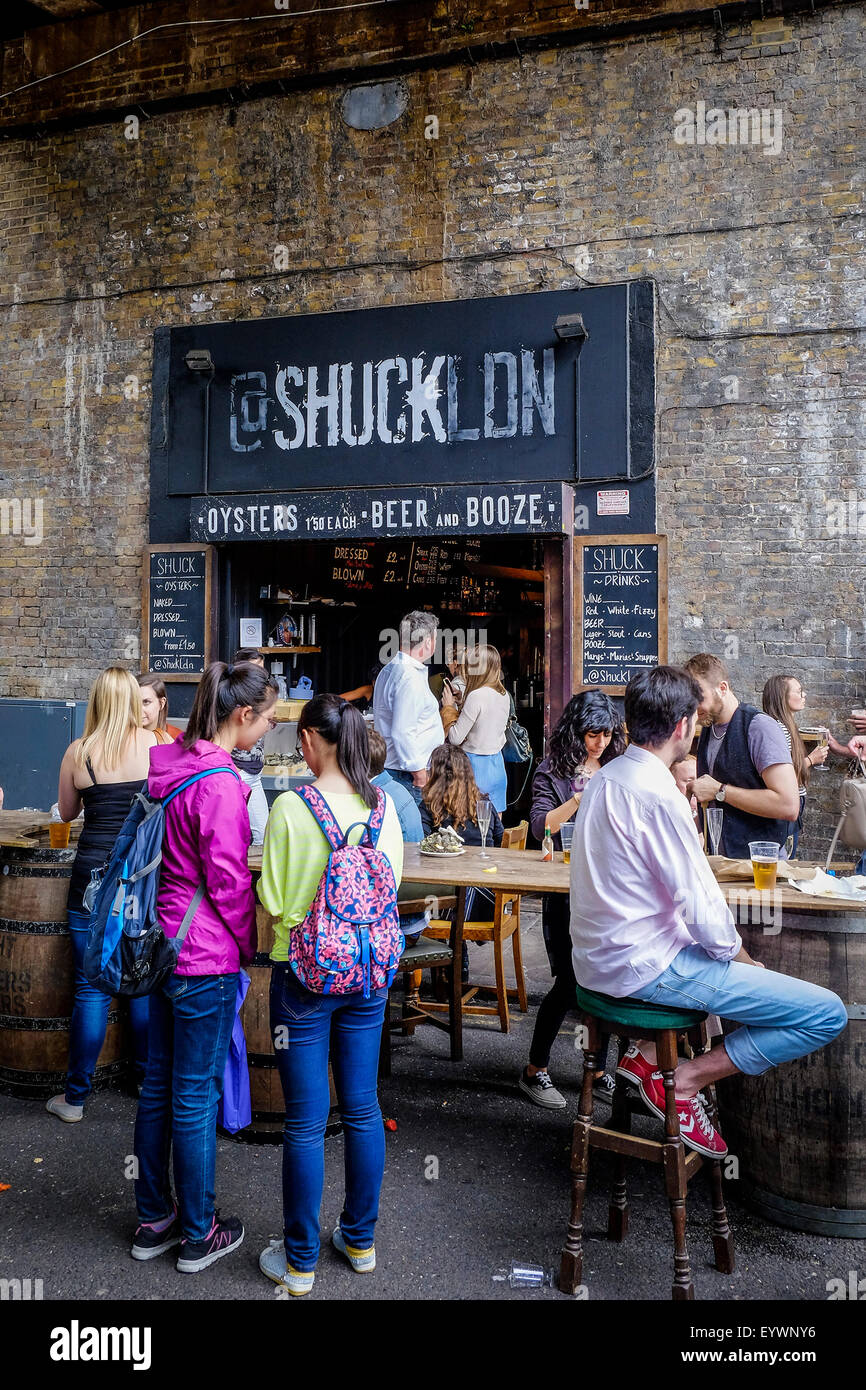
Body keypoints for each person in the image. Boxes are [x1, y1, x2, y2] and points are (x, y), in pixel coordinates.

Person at [570, 665, 847, 1158]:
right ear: (683, 727)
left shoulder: (605, 779)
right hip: (642, 969)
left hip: (595, 964)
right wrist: (741, 960)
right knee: (826, 1013)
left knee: (725, 968)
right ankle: (682, 1080)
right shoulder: (658, 795)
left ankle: (649, 1057)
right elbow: (701, 908)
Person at [131, 660, 276, 1272]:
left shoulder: (172, 765)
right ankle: (198, 1233)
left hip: (160, 947)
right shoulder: (219, 784)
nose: (269, 729)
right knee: (194, 1094)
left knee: (159, 1086)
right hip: (204, 959)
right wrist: (249, 943)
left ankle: (152, 1220)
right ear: (242, 716)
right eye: (266, 718)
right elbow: (228, 881)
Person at [257, 694, 404, 1296]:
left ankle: (299, 1264)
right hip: (367, 975)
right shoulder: (383, 805)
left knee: (306, 1121)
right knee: (363, 1107)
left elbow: (271, 896)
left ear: (318, 741)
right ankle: (360, 1241)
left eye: (302, 739)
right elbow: (392, 883)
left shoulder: (291, 806)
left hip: (304, 975)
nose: (299, 748)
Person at [47, 667, 156, 1123]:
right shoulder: (156, 747)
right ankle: (150, 1087)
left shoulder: (79, 752)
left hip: (91, 882)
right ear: (133, 699)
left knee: (90, 991)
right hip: (142, 882)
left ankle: (75, 1099)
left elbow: (67, 814)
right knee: (143, 984)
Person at [518, 692, 626, 1111]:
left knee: (600, 979)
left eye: (606, 733)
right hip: (564, 887)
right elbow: (540, 826)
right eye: (592, 734)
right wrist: (581, 795)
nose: (599, 742)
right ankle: (534, 1069)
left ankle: (597, 1071)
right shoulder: (554, 770)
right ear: (575, 731)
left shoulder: (619, 764)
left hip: (607, 888)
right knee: (568, 981)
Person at [684, 654, 799, 859]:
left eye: (698, 696)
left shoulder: (759, 727)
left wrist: (720, 791)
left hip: (760, 865)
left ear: (722, 688)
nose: (693, 706)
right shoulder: (708, 728)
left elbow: (788, 805)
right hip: (723, 864)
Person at [372, 610, 442, 806]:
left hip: (395, 770)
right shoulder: (409, 676)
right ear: (428, 641)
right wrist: (419, 773)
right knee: (412, 834)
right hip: (407, 776)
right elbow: (402, 731)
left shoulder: (390, 668)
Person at [761, 674, 827, 857]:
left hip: (795, 802)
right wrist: (812, 760)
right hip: (787, 806)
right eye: (799, 691)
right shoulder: (779, 728)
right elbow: (785, 778)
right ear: (783, 696)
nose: (804, 695)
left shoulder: (784, 725)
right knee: (785, 857)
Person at [442, 644, 510, 814]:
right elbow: (485, 718)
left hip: (474, 766)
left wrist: (449, 708)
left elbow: (456, 738)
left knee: (470, 825)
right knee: (495, 823)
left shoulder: (476, 696)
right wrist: (462, 702)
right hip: (497, 765)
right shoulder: (504, 695)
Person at [229, 647, 270, 845]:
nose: (260, 675)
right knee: (234, 834)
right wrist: (233, 769)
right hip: (238, 772)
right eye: (256, 670)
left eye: (262, 670)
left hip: (255, 774)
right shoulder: (231, 698)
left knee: (262, 836)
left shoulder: (260, 696)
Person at [137, 673, 183, 744]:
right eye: (134, 702)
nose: (138, 710)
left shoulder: (177, 738)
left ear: (161, 703)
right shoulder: (123, 737)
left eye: (146, 702)